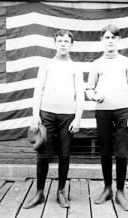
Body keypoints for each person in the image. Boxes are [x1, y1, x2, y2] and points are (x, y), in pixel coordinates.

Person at [23, 30, 84, 209]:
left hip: (68, 117)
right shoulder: (46, 65)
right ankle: (39, 193)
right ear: (54, 43)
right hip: (46, 115)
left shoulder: (76, 67)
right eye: (60, 41)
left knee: (64, 155)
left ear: (71, 45)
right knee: (43, 155)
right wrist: (35, 115)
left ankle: (61, 191)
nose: (63, 44)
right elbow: (38, 90)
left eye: (66, 41)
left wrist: (78, 118)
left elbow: (80, 94)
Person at [86, 24, 128, 211]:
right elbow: (89, 88)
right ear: (102, 40)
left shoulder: (126, 62)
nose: (110, 41)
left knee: (122, 152)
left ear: (118, 40)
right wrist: (93, 96)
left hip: (123, 110)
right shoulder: (96, 64)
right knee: (106, 151)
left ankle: (120, 191)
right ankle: (107, 188)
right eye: (106, 37)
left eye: (113, 38)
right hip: (103, 111)